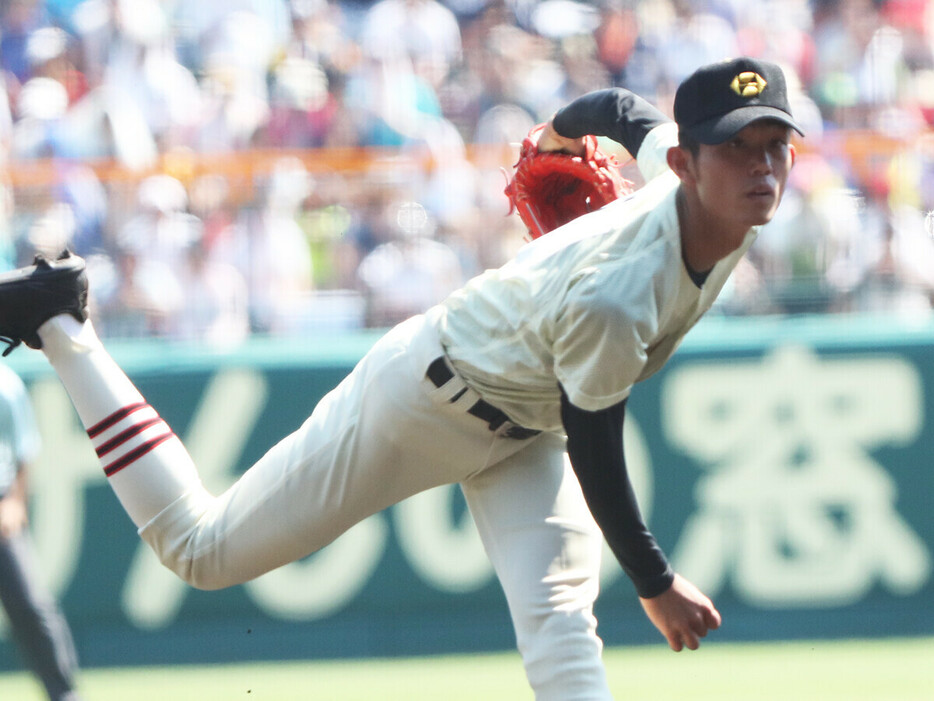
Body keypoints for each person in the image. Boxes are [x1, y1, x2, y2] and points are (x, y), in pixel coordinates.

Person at [0, 56, 801, 699]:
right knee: (200, 549)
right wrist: (655, 582)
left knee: (560, 625)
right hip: (427, 395)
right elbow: (596, 442)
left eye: (775, 145)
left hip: (526, 423)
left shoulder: (712, 195)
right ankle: (62, 324)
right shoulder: (620, 291)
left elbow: (621, 110)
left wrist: (556, 134)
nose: (762, 166)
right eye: (737, 147)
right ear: (684, 164)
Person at [0, 362, 84, 701]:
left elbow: (25, 448)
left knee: (31, 605)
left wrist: (16, 501)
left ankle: (64, 693)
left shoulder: (5, 383)